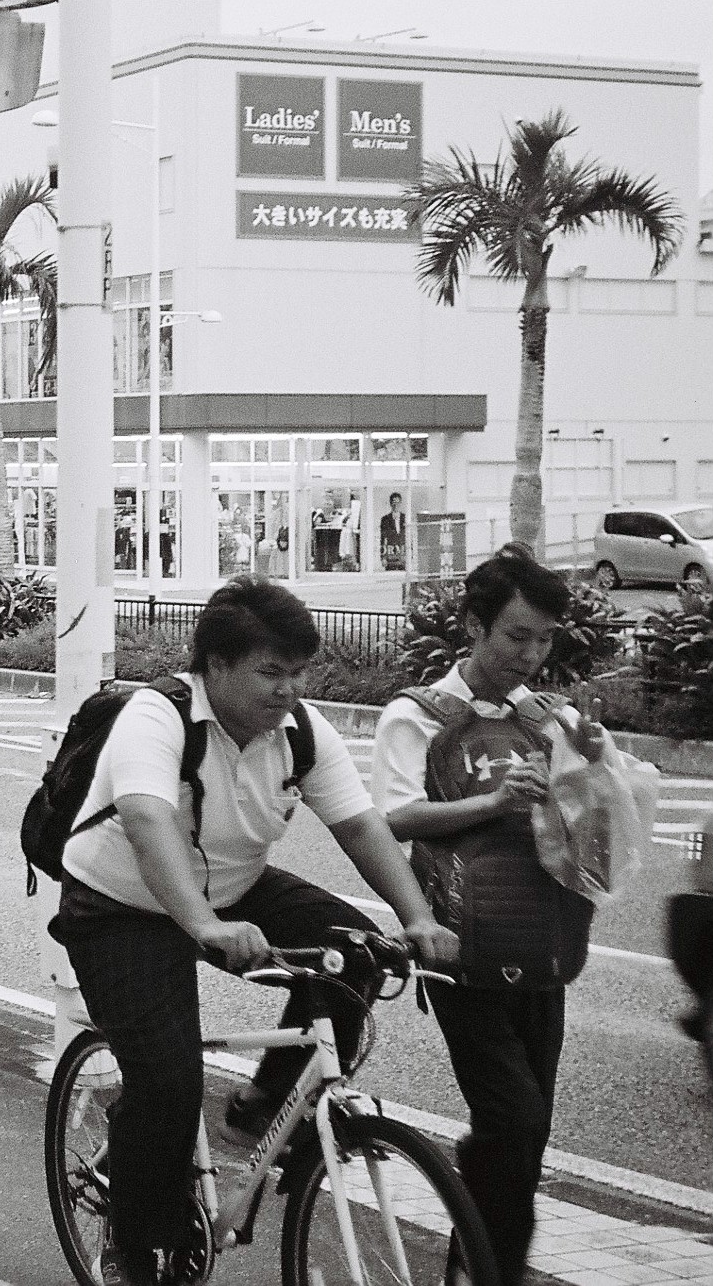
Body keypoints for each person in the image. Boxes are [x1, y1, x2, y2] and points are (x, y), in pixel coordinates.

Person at [51, 577, 457, 1286]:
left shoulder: (298, 730)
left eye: (298, 671)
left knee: (356, 954)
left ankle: (262, 1103)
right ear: (213, 666)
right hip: (120, 905)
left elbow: (360, 824)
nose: (288, 689)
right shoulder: (156, 716)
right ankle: (132, 1240)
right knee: (169, 1083)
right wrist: (203, 924)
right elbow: (147, 820)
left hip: (233, 886)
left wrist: (416, 917)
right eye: (271, 671)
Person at [371, 544, 611, 1286]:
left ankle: (478, 1264)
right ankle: (488, 1270)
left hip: (543, 948)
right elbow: (392, 818)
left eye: (544, 639)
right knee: (513, 1119)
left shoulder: (554, 717)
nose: (530, 654)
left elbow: (594, 837)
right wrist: (495, 800)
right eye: (516, 636)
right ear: (474, 625)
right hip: (460, 953)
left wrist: (591, 772)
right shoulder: (416, 716)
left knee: (524, 1133)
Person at [381, 492, 409, 571]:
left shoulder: (405, 518)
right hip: (391, 555)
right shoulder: (385, 519)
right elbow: (383, 539)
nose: (396, 505)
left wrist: (409, 556)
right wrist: (383, 557)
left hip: (402, 555)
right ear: (390, 504)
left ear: (401, 503)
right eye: (394, 503)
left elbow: (409, 538)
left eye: (398, 503)